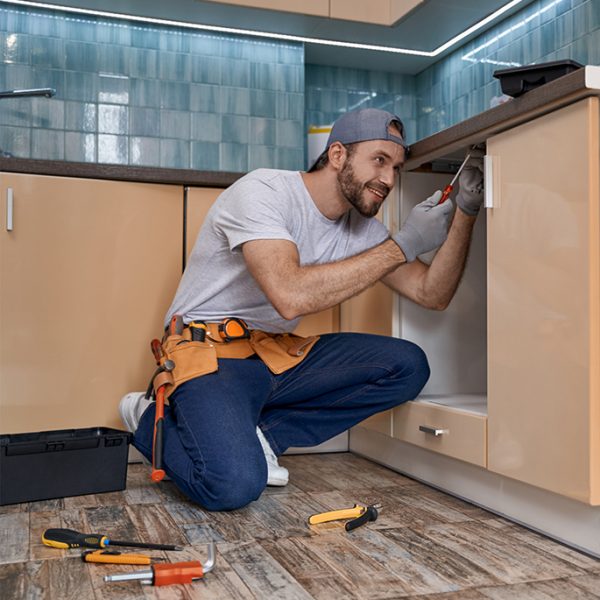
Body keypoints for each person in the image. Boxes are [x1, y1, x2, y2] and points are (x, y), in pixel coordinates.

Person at [119, 108, 484, 511]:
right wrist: (403, 245)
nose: (389, 180)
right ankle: (147, 416)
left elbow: (432, 293)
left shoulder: (361, 230)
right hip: (210, 356)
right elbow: (288, 294)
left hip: (275, 357)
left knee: (408, 365)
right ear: (338, 155)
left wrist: (466, 211)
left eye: (397, 168)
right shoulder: (264, 192)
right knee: (233, 485)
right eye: (379, 161)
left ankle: (266, 436)